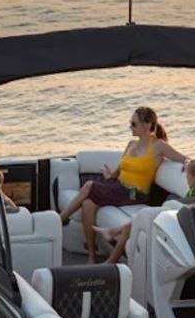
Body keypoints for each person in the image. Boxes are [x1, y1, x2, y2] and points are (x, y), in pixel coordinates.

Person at [59, 107, 188, 263]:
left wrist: (189, 165)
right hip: (119, 187)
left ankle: (58, 220)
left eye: (134, 124)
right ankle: (91, 256)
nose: (130, 127)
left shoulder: (158, 146)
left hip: (135, 193)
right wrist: (109, 174)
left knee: (89, 186)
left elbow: (183, 158)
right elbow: (117, 172)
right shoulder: (131, 144)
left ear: (147, 124)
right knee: (88, 204)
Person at [94, 158, 195, 265]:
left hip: (178, 228)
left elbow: (186, 210)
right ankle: (112, 234)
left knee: (132, 225)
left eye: (188, 175)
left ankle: (111, 259)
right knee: (135, 222)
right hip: (190, 226)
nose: (186, 178)